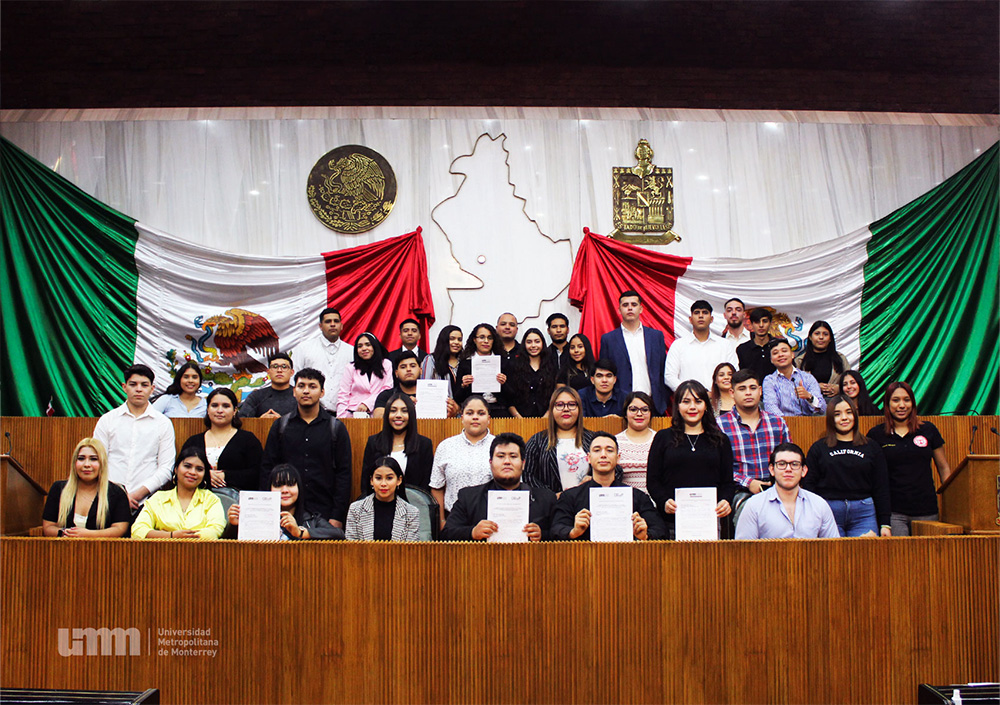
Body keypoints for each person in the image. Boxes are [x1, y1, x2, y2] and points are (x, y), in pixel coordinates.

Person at [261, 368, 352, 529]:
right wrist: (268, 511)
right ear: (294, 391)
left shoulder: (336, 428)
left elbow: (344, 475)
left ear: (322, 392)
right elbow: (268, 470)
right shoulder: (280, 426)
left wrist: (337, 516)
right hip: (285, 512)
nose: (306, 391)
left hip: (325, 513)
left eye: (312, 386)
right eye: (301, 386)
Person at [647, 380, 736, 536]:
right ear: (678, 406)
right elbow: (653, 480)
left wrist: (725, 500)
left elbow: (728, 482)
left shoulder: (721, 440)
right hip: (671, 521)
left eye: (698, 401)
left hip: (709, 520)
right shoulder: (663, 437)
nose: (692, 407)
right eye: (686, 401)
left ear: (706, 405)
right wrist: (664, 501)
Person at [867, 381, 951, 536]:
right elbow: (872, 476)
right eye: (896, 400)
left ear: (913, 403)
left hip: (927, 510)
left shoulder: (928, 430)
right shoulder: (876, 435)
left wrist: (953, 500)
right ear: (887, 404)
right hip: (894, 512)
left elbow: (944, 467)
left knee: (930, 559)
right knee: (902, 559)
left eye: (906, 400)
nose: (901, 405)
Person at [441, 433, 557, 541]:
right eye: (501, 456)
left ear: (523, 464)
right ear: (490, 463)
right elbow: (446, 534)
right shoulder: (468, 497)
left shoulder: (546, 499)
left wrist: (542, 535)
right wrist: (472, 532)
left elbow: (560, 534)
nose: (507, 461)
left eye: (513, 456)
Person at [803, 395, 891, 537]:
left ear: (855, 415)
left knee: (863, 557)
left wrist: (885, 523)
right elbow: (809, 486)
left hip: (864, 513)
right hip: (829, 511)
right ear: (831, 418)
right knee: (832, 558)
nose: (844, 418)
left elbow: (881, 486)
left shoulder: (871, 447)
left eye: (849, 412)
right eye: (837, 414)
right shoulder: (819, 448)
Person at [550, 432, 666, 541]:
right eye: (597, 450)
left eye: (609, 450)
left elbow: (661, 530)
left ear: (618, 458)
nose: (603, 455)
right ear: (589, 458)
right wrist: (573, 532)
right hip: (584, 559)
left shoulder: (637, 496)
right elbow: (555, 530)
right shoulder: (570, 497)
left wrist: (645, 535)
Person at [93, 364, 175, 511]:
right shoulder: (107, 420)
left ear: (152, 389)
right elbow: (98, 461)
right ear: (124, 387)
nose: (138, 389)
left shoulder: (163, 423)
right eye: (133, 384)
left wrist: (137, 495)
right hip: (108, 499)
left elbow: (166, 469)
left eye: (144, 385)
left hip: (147, 502)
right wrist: (118, 495)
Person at [718, 369, 792, 528]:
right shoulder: (719, 426)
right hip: (739, 491)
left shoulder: (777, 423)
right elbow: (717, 468)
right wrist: (748, 482)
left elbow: (789, 460)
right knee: (750, 511)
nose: (748, 393)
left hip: (777, 487)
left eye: (752, 388)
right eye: (742, 389)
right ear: (732, 393)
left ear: (760, 391)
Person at [734, 443, 840, 540]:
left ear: (804, 470)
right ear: (772, 469)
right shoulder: (754, 505)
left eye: (794, 464)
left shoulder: (819, 504)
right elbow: (743, 551)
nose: (788, 469)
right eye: (781, 464)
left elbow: (833, 548)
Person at [522, 386, 607, 493]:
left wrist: (595, 480)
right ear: (551, 409)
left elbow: (615, 470)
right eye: (559, 405)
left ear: (579, 409)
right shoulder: (537, 441)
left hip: (587, 502)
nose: (566, 409)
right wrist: (550, 497)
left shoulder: (593, 439)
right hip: (552, 506)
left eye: (571, 404)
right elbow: (527, 476)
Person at [42, 438, 131, 537]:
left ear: (102, 463)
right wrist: (66, 533)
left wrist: (88, 535)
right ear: (74, 463)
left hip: (103, 550)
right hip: (63, 549)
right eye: (81, 458)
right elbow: (48, 527)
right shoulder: (58, 489)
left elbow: (120, 528)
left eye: (93, 459)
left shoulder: (117, 493)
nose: (86, 464)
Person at [227, 464, 344, 540]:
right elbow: (227, 545)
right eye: (278, 485)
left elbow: (339, 535)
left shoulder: (311, 519)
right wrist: (234, 525)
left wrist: (301, 533)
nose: (284, 490)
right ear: (269, 488)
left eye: (290, 485)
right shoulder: (254, 516)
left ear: (299, 488)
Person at [131, 447, 226, 539]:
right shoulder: (158, 498)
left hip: (200, 552)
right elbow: (137, 531)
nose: (193, 472)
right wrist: (171, 536)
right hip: (161, 552)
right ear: (176, 469)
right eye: (187, 466)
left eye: (199, 469)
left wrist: (181, 537)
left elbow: (215, 531)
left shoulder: (211, 499)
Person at [429, 395, 495, 528]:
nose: (475, 417)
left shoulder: (499, 446)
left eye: (481, 413)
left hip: (492, 521)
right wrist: (441, 521)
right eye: (469, 413)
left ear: (488, 419)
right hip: (454, 521)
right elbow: (437, 487)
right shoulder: (446, 446)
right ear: (462, 418)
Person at [598, 290, 668, 415]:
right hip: (621, 405)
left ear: (641, 309)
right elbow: (605, 373)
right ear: (619, 310)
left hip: (654, 403)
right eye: (625, 305)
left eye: (634, 305)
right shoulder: (608, 339)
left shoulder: (655, 336)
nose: (630, 308)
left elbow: (662, 370)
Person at [181, 387, 263, 492]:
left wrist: (225, 476)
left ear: (234, 411)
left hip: (237, 503)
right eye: (214, 406)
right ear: (207, 410)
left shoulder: (248, 440)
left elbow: (258, 473)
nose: (220, 410)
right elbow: (180, 470)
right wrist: (204, 475)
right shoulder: (193, 441)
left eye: (226, 406)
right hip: (197, 501)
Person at [360, 392, 434, 495]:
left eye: (404, 411)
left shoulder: (424, 444)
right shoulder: (373, 442)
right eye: (393, 411)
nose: (398, 415)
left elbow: (425, 485)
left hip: (414, 506)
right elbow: (366, 482)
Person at [664, 300, 738, 394]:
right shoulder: (678, 345)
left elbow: (734, 374)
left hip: (720, 401)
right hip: (690, 401)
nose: (701, 316)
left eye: (705, 312)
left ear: (711, 319)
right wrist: (691, 393)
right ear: (690, 319)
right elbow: (669, 377)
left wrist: (716, 394)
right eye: (697, 313)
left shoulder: (725, 345)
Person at [345, 457, 421, 541]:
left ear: (399, 480)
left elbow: (410, 551)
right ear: (371, 481)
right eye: (378, 478)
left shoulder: (411, 513)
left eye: (389, 478)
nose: (383, 484)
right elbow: (351, 548)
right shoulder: (356, 509)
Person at [294, 307, 354, 413]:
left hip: (344, 414)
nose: (332, 324)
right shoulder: (304, 348)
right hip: (310, 413)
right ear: (320, 326)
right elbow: (293, 381)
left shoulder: (352, 352)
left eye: (336, 321)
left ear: (341, 326)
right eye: (328, 321)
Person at [454, 323, 511, 417]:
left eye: (490, 338)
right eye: (482, 337)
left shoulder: (503, 362)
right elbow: (457, 397)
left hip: (499, 411)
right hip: (474, 411)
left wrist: (504, 384)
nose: (486, 341)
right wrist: (463, 385)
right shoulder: (465, 363)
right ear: (474, 340)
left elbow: (513, 395)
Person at [762, 338, 826, 417]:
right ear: (771, 360)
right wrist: (788, 424)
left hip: (808, 425)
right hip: (782, 426)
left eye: (784, 351)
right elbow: (770, 407)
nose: (780, 355)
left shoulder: (807, 378)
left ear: (792, 355)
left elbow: (822, 409)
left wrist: (809, 397)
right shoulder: (770, 381)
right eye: (775, 353)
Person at [337, 332, 393, 418]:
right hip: (353, 414)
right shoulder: (350, 367)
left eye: (368, 345)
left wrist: (367, 404)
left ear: (374, 346)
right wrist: (341, 419)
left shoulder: (386, 364)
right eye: (360, 346)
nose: (364, 348)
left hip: (378, 414)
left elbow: (387, 389)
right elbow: (343, 394)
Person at [507, 328, 557, 418]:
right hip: (519, 419)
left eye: (537, 341)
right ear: (524, 345)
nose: (533, 345)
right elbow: (509, 396)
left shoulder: (551, 365)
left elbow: (556, 393)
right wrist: (517, 416)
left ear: (542, 343)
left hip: (547, 418)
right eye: (529, 342)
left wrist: (547, 415)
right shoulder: (515, 365)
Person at [794, 320, 850, 398]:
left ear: (830, 338)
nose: (821, 337)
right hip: (809, 406)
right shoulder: (800, 361)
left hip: (836, 405)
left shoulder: (841, 358)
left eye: (825, 334)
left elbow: (850, 381)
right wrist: (815, 386)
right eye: (817, 334)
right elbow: (793, 385)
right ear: (810, 337)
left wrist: (839, 388)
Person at [615, 392, 656, 494]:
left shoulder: (660, 440)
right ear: (625, 413)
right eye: (633, 409)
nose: (639, 414)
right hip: (623, 501)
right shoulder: (615, 442)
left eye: (645, 410)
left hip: (655, 504)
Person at [239, 352, 297, 418]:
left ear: (292, 372)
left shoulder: (299, 396)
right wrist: (260, 422)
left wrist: (282, 422)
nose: (279, 370)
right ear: (268, 372)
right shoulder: (256, 396)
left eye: (284, 367)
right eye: (275, 366)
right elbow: (242, 420)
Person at [421, 325, 463, 414]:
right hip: (438, 412)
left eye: (459, 339)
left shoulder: (464, 361)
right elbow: (425, 387)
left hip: (462, 413)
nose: (456, 342)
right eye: (452, 339)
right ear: (444, 340)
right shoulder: (431, 360)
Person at [372, 351, 421, 418]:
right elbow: (378, 417)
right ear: (396, 373)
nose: (408, 369)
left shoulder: (429, 395)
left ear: (420, 370)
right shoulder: (386, 396)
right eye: (403, 367)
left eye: (412, 366)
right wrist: (405, 407)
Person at [736, 307, 776, 383]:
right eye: (757, 322)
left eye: (765, 321)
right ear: (751, 324)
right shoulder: (742, 349)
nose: (761, 325)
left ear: (770, 323)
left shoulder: (779, 346)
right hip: (752, 391)